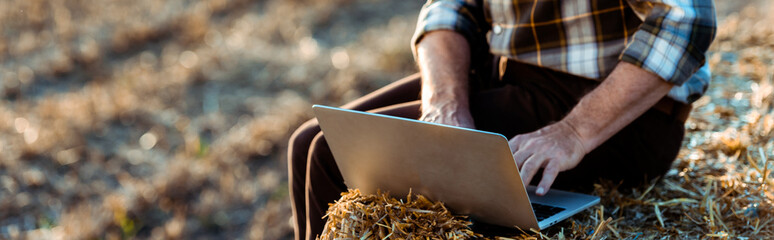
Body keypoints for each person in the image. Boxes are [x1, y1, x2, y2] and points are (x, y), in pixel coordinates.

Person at [287, 0, 716, 239]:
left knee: (330, 155)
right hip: (505, 70)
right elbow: (450, 10)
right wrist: (445, 102)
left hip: (608, 104)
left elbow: (687, 18)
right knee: (309, 141)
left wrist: (573, 132)